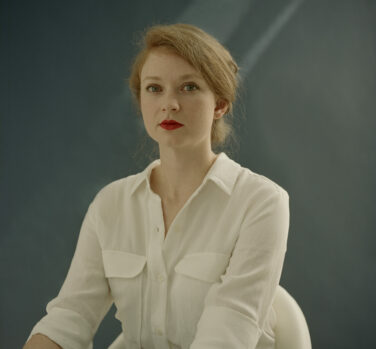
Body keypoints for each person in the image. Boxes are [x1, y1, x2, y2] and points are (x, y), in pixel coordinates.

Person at [23, 23, 290, 349]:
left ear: (220, 104)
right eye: (154, 88)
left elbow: (228, 332)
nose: (169, 104)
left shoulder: (261, 201)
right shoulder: (111, 203)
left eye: (189, 87)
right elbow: (70, 317)